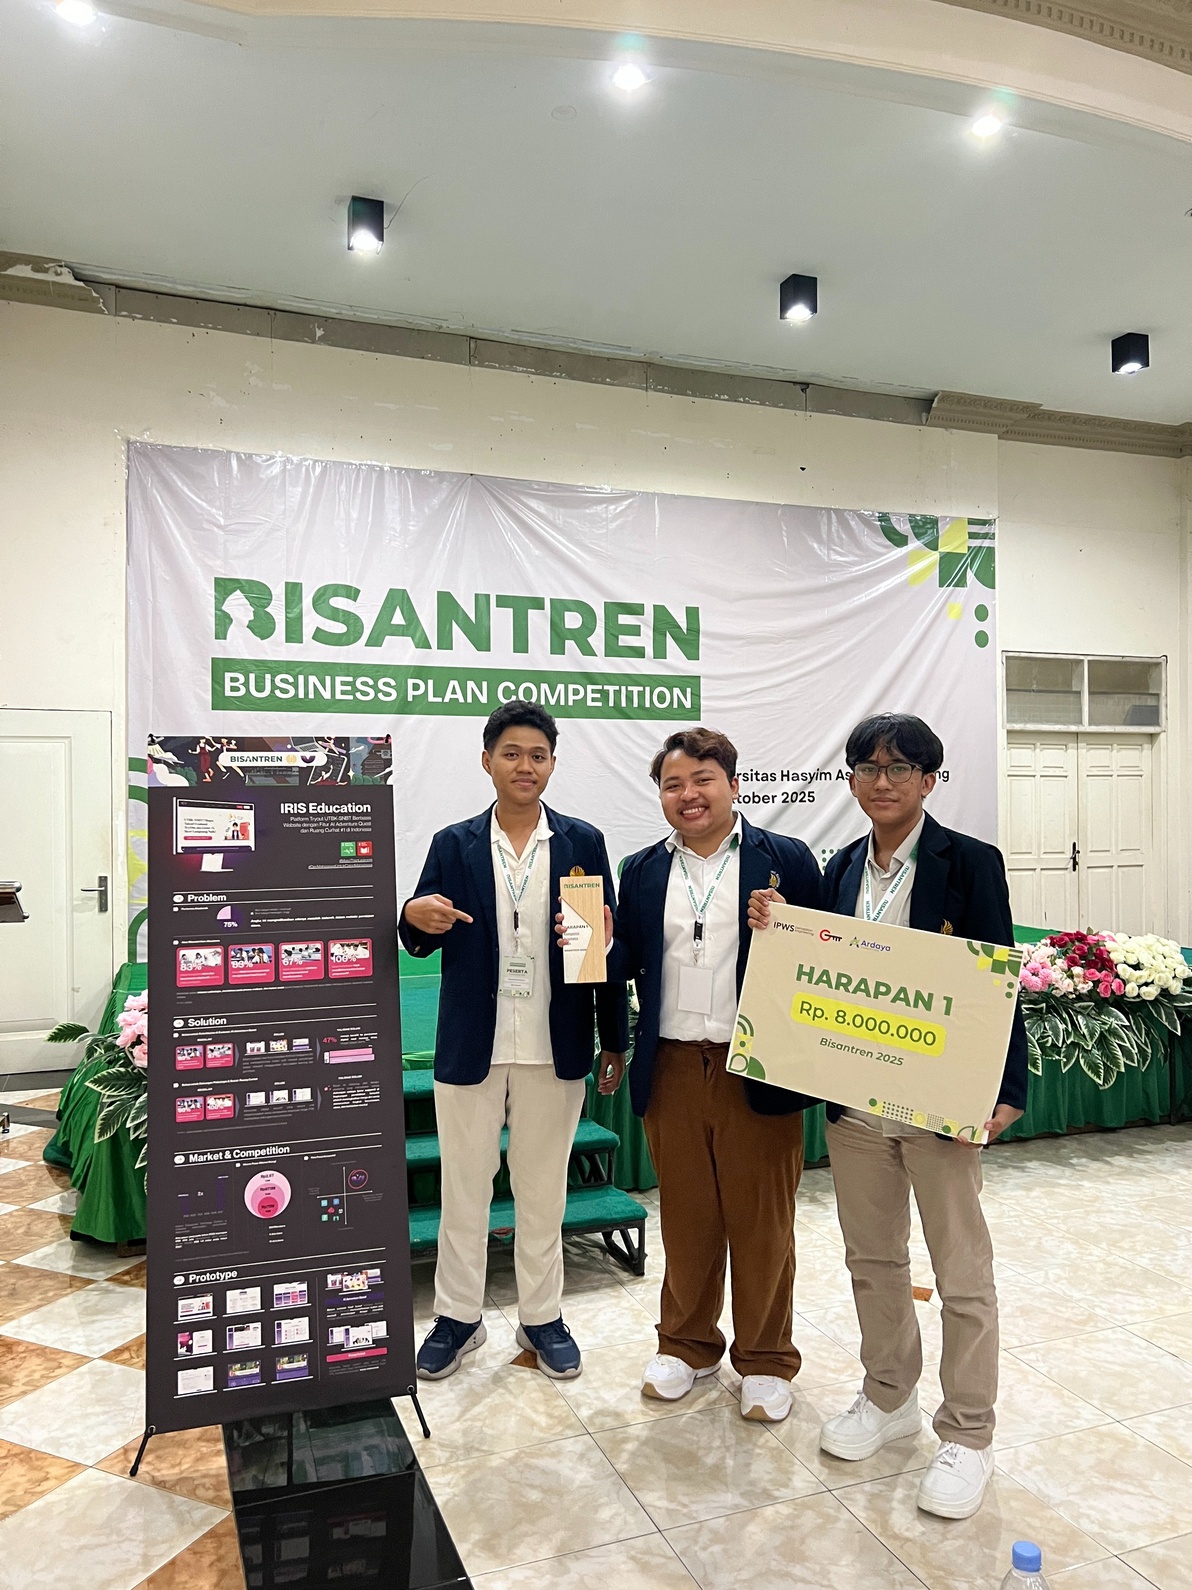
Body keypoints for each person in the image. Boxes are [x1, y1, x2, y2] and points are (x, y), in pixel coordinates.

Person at [787, 712, 1025, 1518]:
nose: (881, 781)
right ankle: (889, 1396)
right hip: (855, 1104)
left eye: (898, 768)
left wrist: (1005, 1088)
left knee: (962, 1274)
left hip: (940, 1105)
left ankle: (968, 1432)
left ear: (928, 780)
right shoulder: (838, 867)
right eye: (867, 767)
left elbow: (999, 980)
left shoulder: (971, 862)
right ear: (851, 780)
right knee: (872, 1259)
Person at [399, 702, 628, 1382]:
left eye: (537, 755)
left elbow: (604, 950)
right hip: (473, 1044)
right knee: (464, 1190)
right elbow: (419, 935)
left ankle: (542, 1316)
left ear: (552, 764)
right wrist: (410, 913)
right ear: (487, 760)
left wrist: (613, 1039)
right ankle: (457, 1317)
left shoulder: (583, 842)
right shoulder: (454, 843)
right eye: (511, 753)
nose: (525, 766)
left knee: (543, 1191)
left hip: (554, 1046)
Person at [606, 727, 822, 1423]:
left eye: (702, 780)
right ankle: (687, 1345)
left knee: (763, 1224)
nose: (688, 795)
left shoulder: (785, 860)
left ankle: (765, 1358)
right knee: (688, 1217)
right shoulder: (642, 869)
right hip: (672, 1062)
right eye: (673, 784)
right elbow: (624, 960)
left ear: (732, 784)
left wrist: (793, 926)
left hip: (754, 1062)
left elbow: (830, 954)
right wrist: (595, 945)